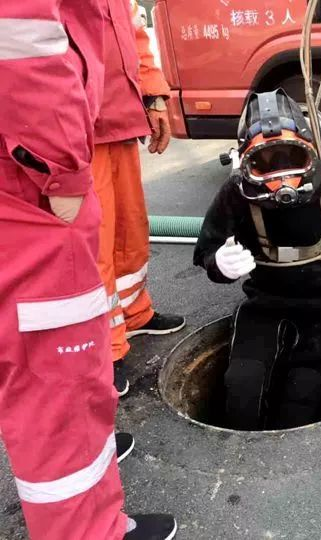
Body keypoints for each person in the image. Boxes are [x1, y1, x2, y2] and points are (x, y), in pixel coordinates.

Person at [0, 1, 176, 538]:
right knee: (56, 368)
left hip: (81, 133)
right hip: (39, 165)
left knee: (66, 360)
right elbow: (23, 33)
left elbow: (122, 26)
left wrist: (152, 93)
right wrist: (60, 169)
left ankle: (91, 478)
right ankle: (85, 529)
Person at [194, 90, 321, 430]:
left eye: (292, 157)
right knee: (242, 389)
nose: (282, 180)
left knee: (303, 398)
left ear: (311, 151)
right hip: (264, 303)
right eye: (265, 163)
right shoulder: (237, 192)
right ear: (245, 161)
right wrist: (217, 263)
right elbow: (207, 247)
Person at [93, 0, 186, 397]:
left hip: (118, 116)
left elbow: (131, 31)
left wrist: (152, 95)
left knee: (130, 230)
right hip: (76, 128)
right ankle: (102, 348)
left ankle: (134, 313)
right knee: (93, 245)